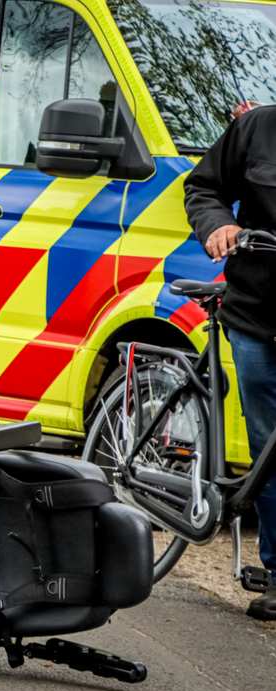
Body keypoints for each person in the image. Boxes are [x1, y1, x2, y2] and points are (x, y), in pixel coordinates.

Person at [184, 104, 276, 621]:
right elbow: (203, 187)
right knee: (269, 444)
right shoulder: (258, 127)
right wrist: (218, 225)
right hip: (257, 314)